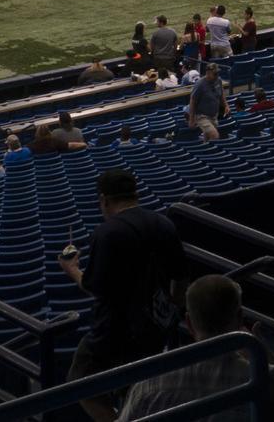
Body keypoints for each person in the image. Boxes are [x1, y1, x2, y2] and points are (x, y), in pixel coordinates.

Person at [60, 169, 184, 422]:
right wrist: (173, 310)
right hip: (155, 326)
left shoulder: (107, 233)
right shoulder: (164, 223)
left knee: (78, 382)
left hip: (112, 330)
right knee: (137, 387)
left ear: (104, 199)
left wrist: (72, 269)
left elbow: (94, 286)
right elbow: (180, 277)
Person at [115, 275, 256, 422]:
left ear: (188, 322)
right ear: (240, 317)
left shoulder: (148, 386)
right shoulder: (262, 379)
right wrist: (261, 355)